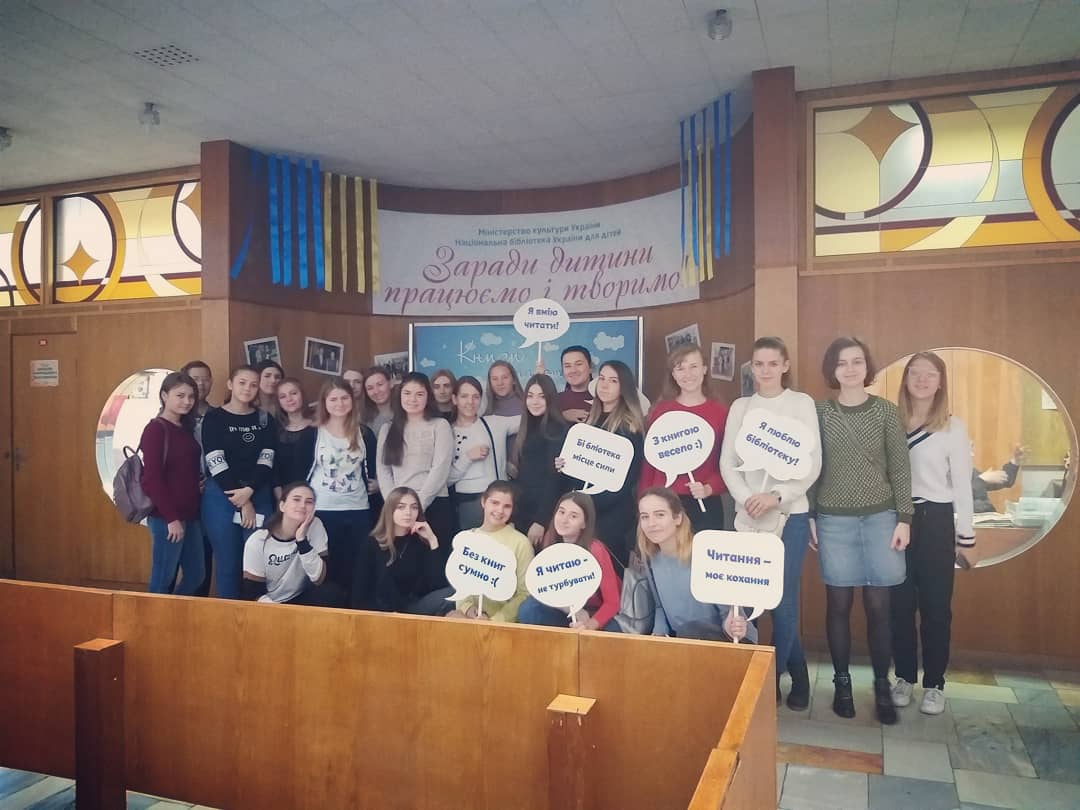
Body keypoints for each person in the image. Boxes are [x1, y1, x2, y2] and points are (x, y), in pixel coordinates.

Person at [811, 337, 912, 725]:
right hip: (833, 520)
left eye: (856, 361)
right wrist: (811, 516)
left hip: (881, 518)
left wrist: (904, 518)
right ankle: (842, 684)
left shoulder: (885, 411)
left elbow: (900, 467)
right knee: (838, 604)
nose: (850, 369)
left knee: (879, 607)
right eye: (842, 363)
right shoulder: (819, 412)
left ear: (867, 367)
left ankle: (882, 686)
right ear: (831, 370)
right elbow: (809, 467)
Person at [720, 336, 821, 709]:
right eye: (759, 364)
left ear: (785, 365)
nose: (765, 370)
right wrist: (749, 498)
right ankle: (799, 673)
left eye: (772, 363)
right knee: (755, 597)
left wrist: (776, 496)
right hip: (749, 516)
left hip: (789, 515)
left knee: (782, 598)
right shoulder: (741, 407)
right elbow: (728, 461)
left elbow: (812, 463)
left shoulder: (801, 404)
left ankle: (772, 677)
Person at [890, 351, 974, 716]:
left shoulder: (953, 427)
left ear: (941, 383)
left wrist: (966, 537)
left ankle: (935, 683)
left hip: (936, 520)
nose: (922, 380)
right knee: (899, 605)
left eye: (930, 374)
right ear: (905, 379)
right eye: (915, 373)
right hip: (895, 520)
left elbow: (963, 487)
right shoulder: (891, 422)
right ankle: (904, 677)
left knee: (936, 607)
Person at [637, 488, 754, 642]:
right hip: (683, 642)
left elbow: (729, 613)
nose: (651, 523)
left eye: (660, 515)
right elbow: (659, 606)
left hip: (725, 639)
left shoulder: (706, 554)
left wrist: (731, 626)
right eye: (645, 517)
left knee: (689, 630)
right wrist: (658, 633)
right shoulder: (650, 558)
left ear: (677, 518)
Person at [201, 366, 277, 599]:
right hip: (220, 496)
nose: (247, 388)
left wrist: (250, 491)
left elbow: (267, 458)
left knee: (258, 561)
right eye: (242, 382)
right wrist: (243, 501)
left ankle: (257, 614)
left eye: (253, 384)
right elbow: (215, 460)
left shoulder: (265, 419)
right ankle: (229, 615)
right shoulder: (214, 418)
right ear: (230, 384)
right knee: (228, 562)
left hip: (258, 492)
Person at [559, 360, 644, 567]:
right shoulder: (589, 422)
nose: (604, 385)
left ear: (624, 388)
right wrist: (564, 465)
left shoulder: (630, 428)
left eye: (613, 381)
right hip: (582, 514)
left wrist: (586, 505)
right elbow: (578, 473)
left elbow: (625, 483)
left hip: (611, 520)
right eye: (602, 379)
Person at [376, 372, 456, 584]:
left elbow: (440, 469)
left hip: (434, 504)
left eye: (419, 394)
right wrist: (396, 505)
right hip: (398, 510)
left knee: (434, 568)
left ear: (428, 397)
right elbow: (383, 471)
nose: (413, 399)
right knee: (400, 567)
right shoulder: (387, 429)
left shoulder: (440, 425)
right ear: (399, 395)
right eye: (407, 393)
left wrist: (417, 506)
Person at [641, 344, 729, 532]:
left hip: (703, 502)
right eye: (680, 368)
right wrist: (643, 501)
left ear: (705, 369)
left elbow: (728, 463)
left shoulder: (720, 413)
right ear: (673, 374)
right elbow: (649, 464)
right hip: (662, 502)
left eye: (693, 366)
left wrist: (709, 488)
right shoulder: (661, 411)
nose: (687, 374)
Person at [308, 378, 376, 602]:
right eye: (333, 399)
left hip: (358, 509)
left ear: (352, 400)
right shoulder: (313, 433)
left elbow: (374, 468)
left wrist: (377, 484)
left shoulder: (364, 433)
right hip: (323, 509)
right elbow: (300, 473)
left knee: (358, 567)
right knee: (329, 567)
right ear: (324, 402)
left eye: (344, 398)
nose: (339, 403)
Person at [139, 372, 205, 595]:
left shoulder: (186, 428)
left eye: (191, 396)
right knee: (162, 578)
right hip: (167, 516)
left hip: (191, 514)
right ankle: (153, 617)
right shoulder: (156, 429)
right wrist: (171, 518)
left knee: (196, 575)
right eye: (180, 395)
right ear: (164, 396)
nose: (187, 401)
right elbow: (152, 478)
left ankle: (173, 612)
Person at [518, 492, 622, 631]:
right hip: (566, 610)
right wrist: (571, 610)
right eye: (561, 512)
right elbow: (547, 590)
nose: (564, 520)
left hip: (595, 612)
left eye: (573, 516)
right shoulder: (550, 541)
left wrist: (589, 626)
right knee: (529, 609)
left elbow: (612, 603)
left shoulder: (596, 550)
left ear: (584, 523)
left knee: (613, 630)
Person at [352, 487, 454, 614]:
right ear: (390, 510)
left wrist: (433, 541)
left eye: (414, 507)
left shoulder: (420, 541)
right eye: (401, 507)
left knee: (452, 594)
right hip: (381, 613)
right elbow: (360, 592)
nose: (408, 513)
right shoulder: (373, 543)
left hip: (413, 609)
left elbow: (438, 586)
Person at [241, 482, 344, 606]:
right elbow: (253, 594)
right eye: (296, 499)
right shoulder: (258, 540)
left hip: (299, 598)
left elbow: (319, 579)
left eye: (309, 502)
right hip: (269, 604)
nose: (302, 505)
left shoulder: (315, 525)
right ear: (282, 506)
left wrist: (302, 541)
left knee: (332, 593)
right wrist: (283, 613)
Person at [449, 481, 533, 622]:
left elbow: (525, 593)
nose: (500, 510)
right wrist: (468, 609)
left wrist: (495, 620)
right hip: (469, 618)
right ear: (483, 502)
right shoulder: (467, 538)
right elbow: (460, 583)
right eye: (495, 503)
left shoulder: (521, 543)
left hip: (503, 622)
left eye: (507, 506)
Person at [447, 376, 520, 530]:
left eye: (475, 397)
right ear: (454, 399)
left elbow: (528, 419)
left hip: (499, 503)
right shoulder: (447, 432)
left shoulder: (494, 423)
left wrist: (540, 380)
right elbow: (446, 480)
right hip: (467, 506)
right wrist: (467, 457)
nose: (470, 402)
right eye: (464, 396)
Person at [510, 374, 571, 546]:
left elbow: (555, 480)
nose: (535, 402)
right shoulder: (527, 426)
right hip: (523, 510)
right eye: (530, 396)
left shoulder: (557, 429)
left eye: (541, 396)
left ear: (550, 399)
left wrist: (541, 521)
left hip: (542, 515)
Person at [179, 359, 214, 596]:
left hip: (211, 494)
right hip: (181, 498)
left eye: (205, 379)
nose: (201, 384)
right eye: (195, 379)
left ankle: (199, 608)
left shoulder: (217, 415)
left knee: (204, 558)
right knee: (176, 561)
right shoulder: (174, 418)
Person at [274, 377, 316, 499]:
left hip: (316, 493)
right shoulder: (276, 430)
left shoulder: (318, 427)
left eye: (293, 393)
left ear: (302, 395)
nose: (289, 399)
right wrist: (280, 499)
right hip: (286, 496)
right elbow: (275, 471)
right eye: (283, 396)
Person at [971, 443, 1028, 513]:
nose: (972, 454)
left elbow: (1005, 480)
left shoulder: (970, 471)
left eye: (972, 448)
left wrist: (1015, 460)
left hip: (988, 515)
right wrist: (981, 480)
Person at [557, 345, 594, 423]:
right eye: (567, 366)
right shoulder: (554, 400)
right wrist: (562, 415)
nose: (573, 370)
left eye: (579, 364)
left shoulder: (604, 398)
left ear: (590, 367)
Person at [361, 366, 394, 435]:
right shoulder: (362, 419)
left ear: (391, 383)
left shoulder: (407, 411)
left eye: (380, 384)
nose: (376, 391)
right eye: (370, 388)